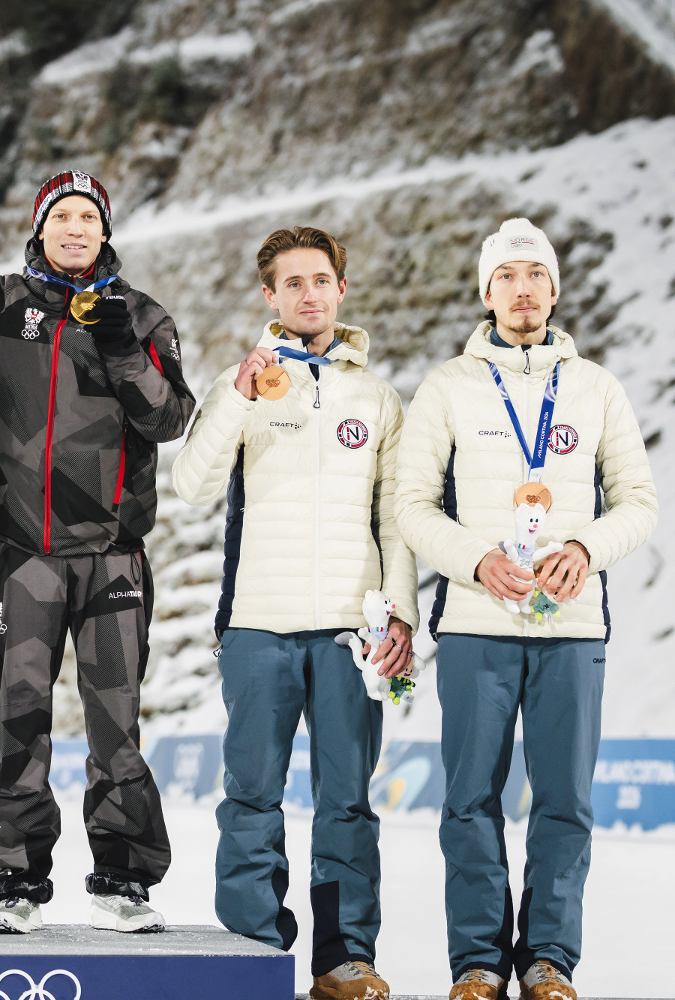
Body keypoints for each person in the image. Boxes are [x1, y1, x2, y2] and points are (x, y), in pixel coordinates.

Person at [394, 219, 657, 1000]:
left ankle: (549, 960)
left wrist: (585, 546)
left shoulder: (596, 388)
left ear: (553, 289)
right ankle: (477, 961)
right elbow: (411, 508)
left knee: (565, 802)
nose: (522, 289)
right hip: (477, 624)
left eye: (535, 275)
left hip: (571, 629)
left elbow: (639, 503)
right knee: (470, 799)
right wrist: (476, 560)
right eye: (506, 276)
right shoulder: (446, 387)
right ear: (486, 291)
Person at [171, 226, 416, 999]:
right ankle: (254, 953)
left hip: (351, 630)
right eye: (292, 283)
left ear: (341, 291)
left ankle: (343, 960)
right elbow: (192, 483)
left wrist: (401, 612)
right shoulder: (240, 382)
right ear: (269, 296)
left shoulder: (376, 400)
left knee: (347, 802)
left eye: (321, 280)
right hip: (257, 627)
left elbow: (396, 518)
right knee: (251, 795)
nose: (308, 294)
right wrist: (239, 399)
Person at [0, 171, 195, 935]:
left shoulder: (144, 315)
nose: (74, 228)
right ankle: (13, 883)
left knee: (114, 722)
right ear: (40, 226)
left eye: (87, 217)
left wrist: (122, 347)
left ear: (104, 231)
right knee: (19, 716)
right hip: (23, 550)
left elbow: (169, 420)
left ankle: (122, 879)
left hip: (114, 554)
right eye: (61, 215)